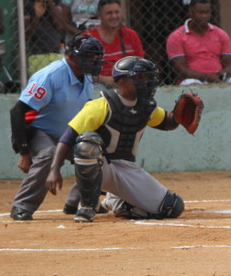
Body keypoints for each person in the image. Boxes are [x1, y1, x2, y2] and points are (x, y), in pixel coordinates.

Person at [44, 57, 187, 223]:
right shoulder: (100, 106)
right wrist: (54, 170)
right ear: (122, 81)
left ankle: (119, 202)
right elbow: (68, 138)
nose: (146, 82)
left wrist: (179, 116)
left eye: (147, 77)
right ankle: (88, 206)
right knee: (87, 143)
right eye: (139, 77)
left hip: (127, 167)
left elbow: (167, 123)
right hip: (102, 167)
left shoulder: (147, 106)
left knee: (172, 207)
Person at [8, 33, 105, 221]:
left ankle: (78, 203)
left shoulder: (86, 76)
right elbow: (17, 112)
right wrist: (24, 152)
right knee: (50, 153)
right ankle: (22, 206)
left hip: (66, 134)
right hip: (34, 131)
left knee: (94, 150)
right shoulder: (51, 75)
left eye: (95, 56)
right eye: (88, 55)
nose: (93, 60)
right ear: (71, 55)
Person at [166, 0, 231, 85]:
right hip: (193, 79)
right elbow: (181, 70)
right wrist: (207, 77)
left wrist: (223, 74)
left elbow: (230, 65)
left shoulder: (220, 34)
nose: (204, 16)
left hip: (219, 78)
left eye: (207, 13)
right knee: (191, 85)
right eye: (201, 13)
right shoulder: (177, 36)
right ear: (191, 12)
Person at [23, 0, 76, 75]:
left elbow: (60, 25)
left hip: (55, 51)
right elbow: (27, 34)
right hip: (36, 53)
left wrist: (49, 1)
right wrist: (36, 17)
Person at [84, 0, 145, 89]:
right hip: (100, 83)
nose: (114, 16)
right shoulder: (88, 38)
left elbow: (141, 64)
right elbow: (83, 71)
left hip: (127, 81)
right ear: (99, 16)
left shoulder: (130, 35)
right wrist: (104, 79)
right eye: (109, 13)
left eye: (117, 12)